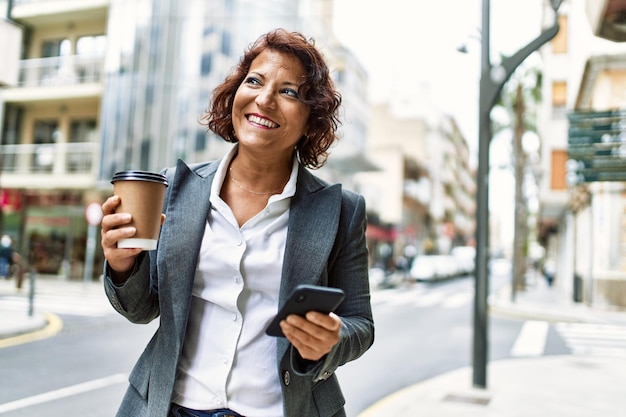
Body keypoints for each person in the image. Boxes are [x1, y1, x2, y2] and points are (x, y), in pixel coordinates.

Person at [100, 28, 374, 417]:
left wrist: (330, 340)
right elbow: (142, 309)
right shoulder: (176, 187)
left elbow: (360, 324)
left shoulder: (341, 210)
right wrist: (123, 265)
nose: (264, 99)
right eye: (255, 81)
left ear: (311, 119)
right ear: (235, 93)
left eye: (289, 91)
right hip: (169, 406)